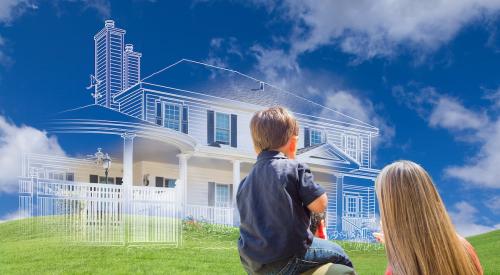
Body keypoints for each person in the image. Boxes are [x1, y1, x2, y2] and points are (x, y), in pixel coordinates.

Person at [237, 106, 353, 275]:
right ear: (293, 142)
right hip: (288, 258)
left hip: (252, 264)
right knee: (339, 253)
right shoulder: (294, 168)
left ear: (256, 147)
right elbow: (320, 205)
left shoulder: (244, 183)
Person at [373, 160, 483, 275]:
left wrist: (396, 250)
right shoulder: (464, 248)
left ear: (391, 210)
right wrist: (394, 242)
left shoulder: (400, 267)